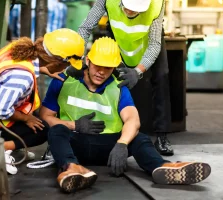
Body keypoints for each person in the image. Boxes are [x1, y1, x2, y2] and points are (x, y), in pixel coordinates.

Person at [40, 37, 211, 193]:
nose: (101, 71)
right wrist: (74, 125)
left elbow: (132, 119)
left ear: (114, 67)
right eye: (97, 65)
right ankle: (71, 169)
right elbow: (46, 116)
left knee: (140, 138)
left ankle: (163, 167)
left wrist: (122, 144)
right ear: (87, 61)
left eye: (107, 67)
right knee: (57, 131)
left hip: (110, 148)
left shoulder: (118, 87)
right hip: (75, 143)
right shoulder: (62, 81)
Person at [0, 28, 85, 175]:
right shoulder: (22, 76)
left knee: (35, 122)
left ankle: (6, 145)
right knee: (42, 130)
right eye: (67, 64)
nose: (66, 68)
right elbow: (0, 110)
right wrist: (26, 118)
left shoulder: (17, 48)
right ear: (57, 61)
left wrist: (44, 69)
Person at [73, 0, 174, 156]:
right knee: (109, 77)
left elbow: (154, 44)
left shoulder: (156, 4)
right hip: (117, 34)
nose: (131, 12)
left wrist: (137, 71)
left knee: (161, 77)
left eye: (136, 10)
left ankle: (162, 137)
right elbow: (86, 27)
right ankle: (109, 130)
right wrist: (78, 58)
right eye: (128, 8)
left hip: (147, 39)